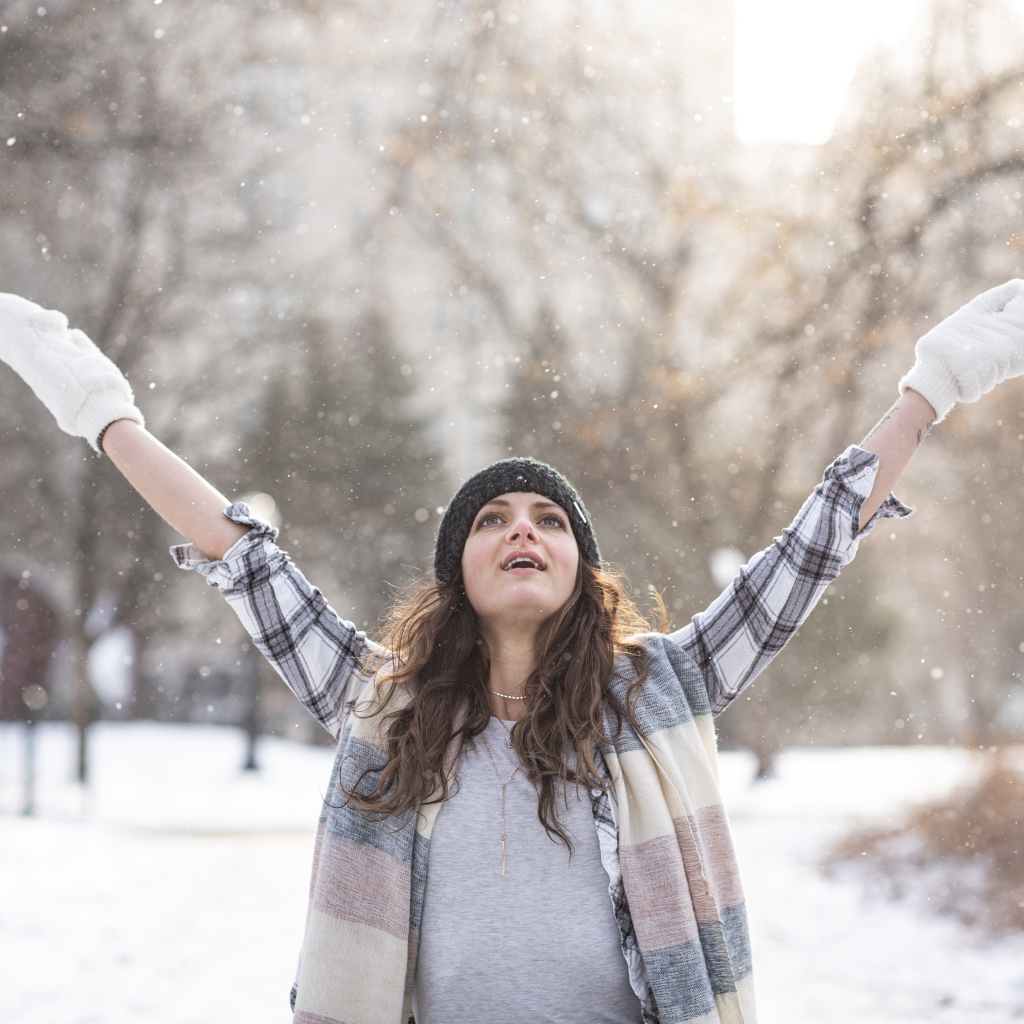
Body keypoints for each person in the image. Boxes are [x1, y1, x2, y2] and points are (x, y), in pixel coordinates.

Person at [1, 281, 1023, 1024]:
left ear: (580, 564)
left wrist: (926, 391)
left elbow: (808, 551)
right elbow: (242, 554)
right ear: (460, 568)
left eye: (549, 518)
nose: (522, 529)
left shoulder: (661, 689)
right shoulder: (381, 705)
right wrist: (105, 414)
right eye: (492, 518)